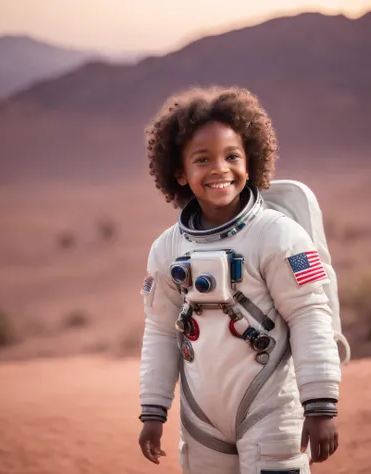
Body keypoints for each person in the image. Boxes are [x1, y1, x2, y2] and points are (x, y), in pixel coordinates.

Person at [138, 86, 342, 474]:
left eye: (232, 156)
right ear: (179, 172)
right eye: (202, 159)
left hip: (271, 406)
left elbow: (310, 314)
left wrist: (320, 404)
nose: (219, 169)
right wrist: (153, 410)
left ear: (250, 163)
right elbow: (161, 331)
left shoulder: (277, 235)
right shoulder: (166, 250)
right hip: (201, 417)